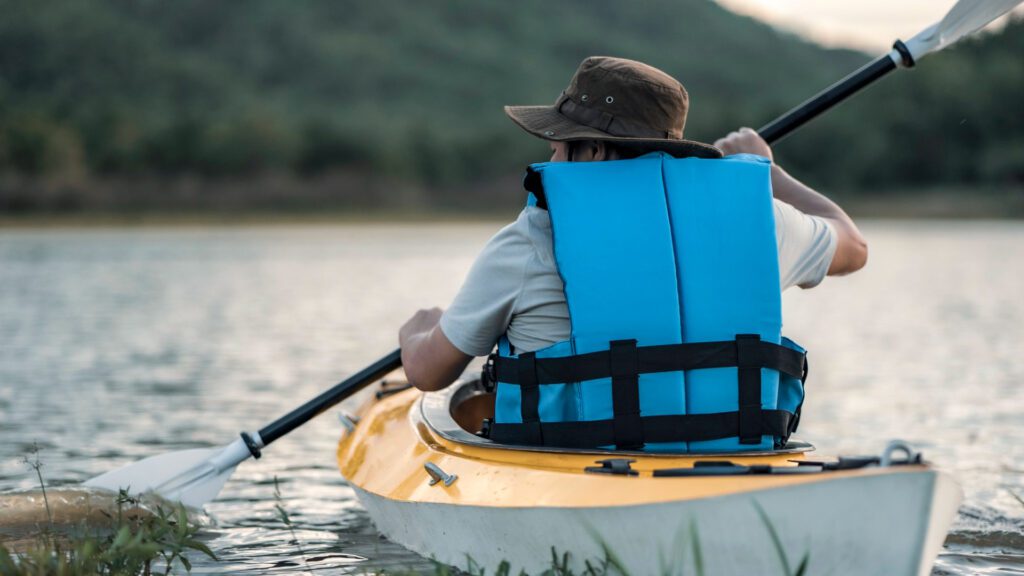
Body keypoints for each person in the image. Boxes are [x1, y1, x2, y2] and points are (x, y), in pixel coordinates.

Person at [399, 56, 867, 405]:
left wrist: (418, 331)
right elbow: (854, 246)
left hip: (574, 461)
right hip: (727, 452)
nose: (553, 160)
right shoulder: (761, 221)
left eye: (559, 145)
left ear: (594, 151)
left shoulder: (531, 241)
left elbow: (428, 372)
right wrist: (769, 174)